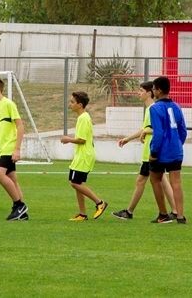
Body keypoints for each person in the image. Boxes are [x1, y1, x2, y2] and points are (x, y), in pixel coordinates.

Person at [112, 81, 177, 221]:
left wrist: (146, 132)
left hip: (151, 151)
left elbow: (158, 129)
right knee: (161, 180)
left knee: (141, 181)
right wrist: (128, 139)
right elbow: (145, 128)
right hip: (151, 151)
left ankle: (129, 212)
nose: (138, 93)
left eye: (141, 91)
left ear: (149, 93)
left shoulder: (154, 108)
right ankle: (175, 211)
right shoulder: (150, 109)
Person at [0, 76, 28, 221]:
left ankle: (19, 205)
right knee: (12, 179)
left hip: (10, 147)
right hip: (2, 149)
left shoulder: (9, 104)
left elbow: (20, 126)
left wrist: (17, 149)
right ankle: (22, 213)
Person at [59, 91, 107, 221]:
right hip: (81, 155)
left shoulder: (84, 118)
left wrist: (68, 139)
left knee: (75, 183)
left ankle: (99, 203)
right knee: (77, 183)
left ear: (80, 105)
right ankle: (82, 214)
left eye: (72, 102)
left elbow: (82, 140)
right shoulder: (82, 117)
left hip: (84, 156)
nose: (70, 104)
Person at [148, 76, 187, 224]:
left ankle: (163, 214)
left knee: (155, 179)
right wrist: (177, 144)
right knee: (176, 182)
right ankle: (180, 216)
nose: (153, 91)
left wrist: (154, 152)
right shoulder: (177, 106)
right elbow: (183, 131)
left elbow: (158, 133)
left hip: (161, 151)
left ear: (158, 90)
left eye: (153, 89)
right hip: (176, 150)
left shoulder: (154, 108)